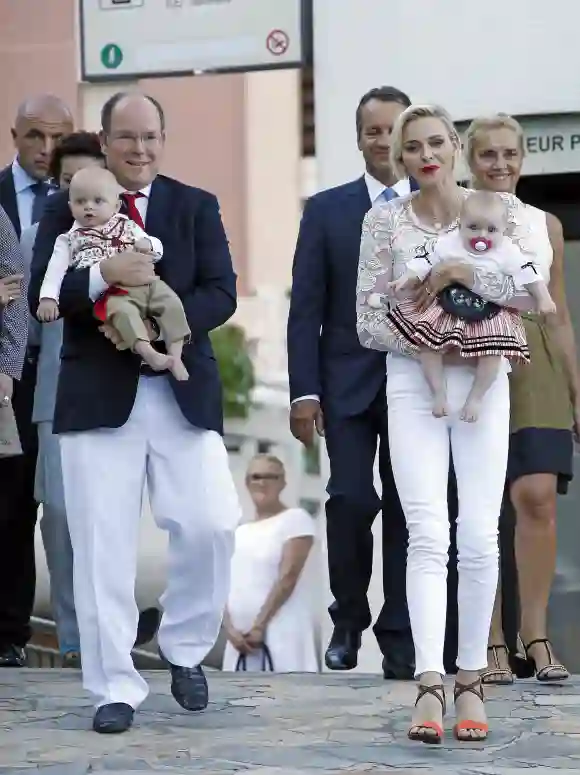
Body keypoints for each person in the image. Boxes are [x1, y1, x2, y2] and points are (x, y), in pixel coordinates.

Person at [29, 91, 241, 734]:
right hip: (97, 396)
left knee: (212, 523)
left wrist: (161, 321)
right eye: (127, 138)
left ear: (163, 139)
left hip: (178, 385)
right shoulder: (61, 208)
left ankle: (182, 646)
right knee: (100, 546)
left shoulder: (195, 205)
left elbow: (222, 292)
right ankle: (112, 686)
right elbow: (48, 293)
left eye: (151, 137)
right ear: (105, 139)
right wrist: (102, 279)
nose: (140, 150)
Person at [356, 104, 539, 743]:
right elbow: (368, 319)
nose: (426, 154)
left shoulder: (505, 211)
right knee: (428, 531)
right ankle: (429, 684)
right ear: (400, 157)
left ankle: (472, 682)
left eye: (437, 142)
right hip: (417, 378)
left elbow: (530, 295)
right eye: (413, 146)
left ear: (455, 146)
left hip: (488, 378)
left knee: (481, 533)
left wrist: (464, 272)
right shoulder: (383, 222)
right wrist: (433, 339)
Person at [288, 86, 419, 679]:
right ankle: (348, 618)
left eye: (395, 131)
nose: (384, 141)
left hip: (418, 381)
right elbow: (305, 307)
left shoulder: (437, 207)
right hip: (345, 383)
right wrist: (303, 390)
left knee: (407, 509)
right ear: (359, 137)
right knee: (350, 500)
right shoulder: (325, 209)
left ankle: (399, 634)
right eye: (373, 131)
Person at [21, 131, 162, 666]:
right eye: (67, 187)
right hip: (55, 394)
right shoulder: (42, 237)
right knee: (60, 517)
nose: (81, 203)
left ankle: (115, 626)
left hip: (117, 387)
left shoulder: (128, 234)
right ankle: (78, 638)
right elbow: (27, 320)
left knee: (112, 516)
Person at [465, 114, 578, 685]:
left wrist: (576, 387)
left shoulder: (546, 225)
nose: (501, 164)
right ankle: (489, 640)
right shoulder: (452, 218)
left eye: (510, 153)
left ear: (523, 158)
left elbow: (557, 312)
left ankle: (535, 635)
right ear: (471, 159)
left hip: (535, 354)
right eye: (489, 154)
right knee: (484, 505)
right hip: (475, 347)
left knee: (536, 496)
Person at [0, 94, 73, 667]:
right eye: (34, 137)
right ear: (14, 135)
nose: (45, 150)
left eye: (56, 138)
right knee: (8, 504)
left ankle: (44, 631)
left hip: (64, 371)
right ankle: (8, 632)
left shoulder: (85, 196)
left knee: (60, 508)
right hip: (6, 372)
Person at [385, 190, 553, 421]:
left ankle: (476, 397)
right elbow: (426, 259)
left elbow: (529, 273)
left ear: (503, 231)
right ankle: (438, 392)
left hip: (488, 312)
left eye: (491, 230)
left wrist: (543, 297)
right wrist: (408, 278)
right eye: (473, 227)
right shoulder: (450, 242)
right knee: (427, 346)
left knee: (492, 354)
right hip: (447, 306)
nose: (482, 235)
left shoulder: (507, 250)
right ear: (460, 224)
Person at [38, 166, 190, 381]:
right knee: (123, 315)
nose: (89, 208)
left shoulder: (126, 225)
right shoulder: (68, 240)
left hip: (147, 284)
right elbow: (54, 272)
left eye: (98, 201)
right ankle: (149, 353)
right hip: (113, 293)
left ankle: (176, 354)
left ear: (116, 205)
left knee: (171, 303)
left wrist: (149, 245)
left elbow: (156, 249)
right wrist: (47, 298)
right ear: (70, 206)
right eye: (81, 202)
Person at [222, 454, 318, 673]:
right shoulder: (239, 530)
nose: (262, 483)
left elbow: (288, 577)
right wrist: (229, 629)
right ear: (246, 482)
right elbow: (221, 584)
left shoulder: (295, 519)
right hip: (239, 644)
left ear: (283, 482)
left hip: (279, 634)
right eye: (256, 477)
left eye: (270, 477)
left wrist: (259, 626)